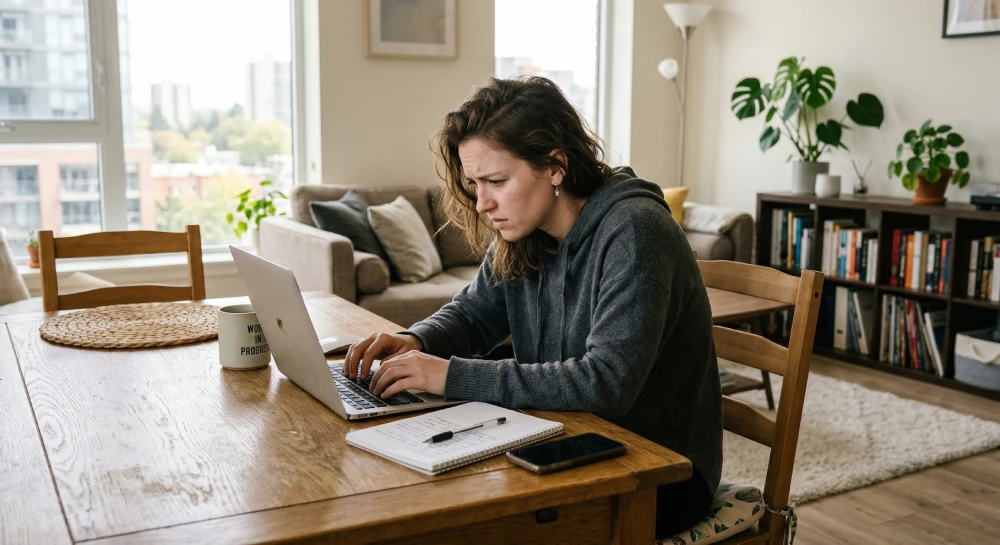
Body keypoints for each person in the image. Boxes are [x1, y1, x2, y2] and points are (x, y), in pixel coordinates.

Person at [343, 76, 722, 539]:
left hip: (656, 472)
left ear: (556, 165)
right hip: (561, 434)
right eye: (475, 184)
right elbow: (474, 313)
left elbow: (606, 382)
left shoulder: (636, 231)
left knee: (452, 526)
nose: (482, 203)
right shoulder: (524, 231)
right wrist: (415, 340)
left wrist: (450, 375)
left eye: (497, 181)